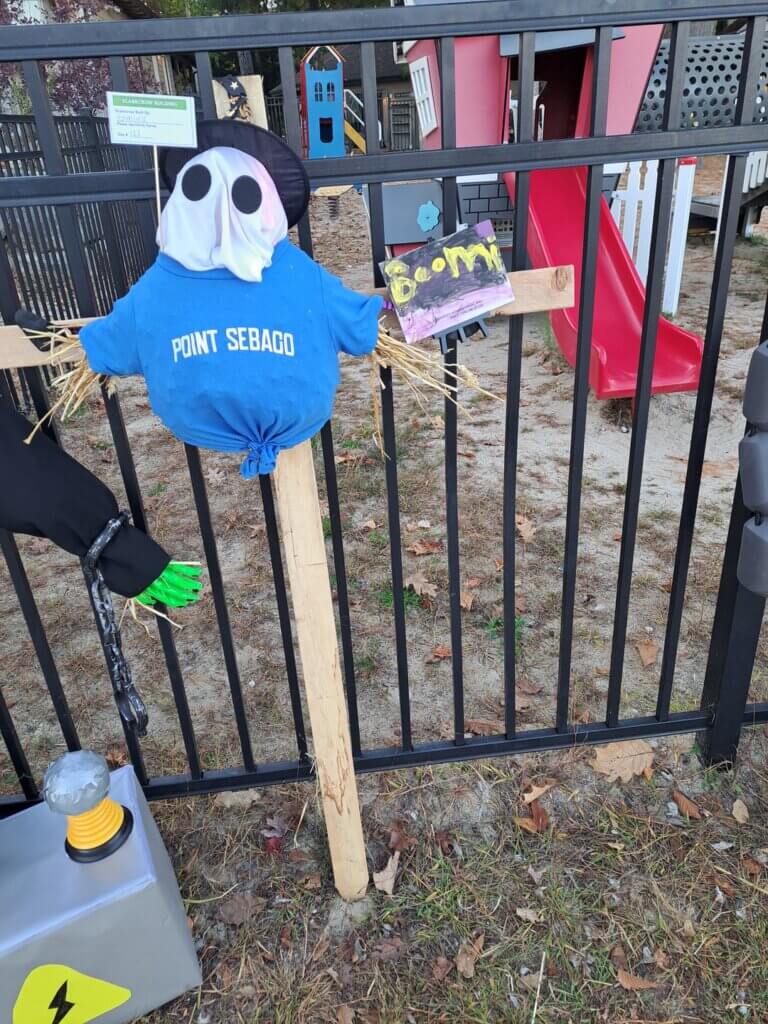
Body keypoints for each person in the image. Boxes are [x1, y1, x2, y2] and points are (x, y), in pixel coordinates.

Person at [79, 120, 384, 480]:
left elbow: (107, 348)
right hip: (296, 420)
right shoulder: (301, 276)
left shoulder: (155, 289)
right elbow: (361, 329)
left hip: (193, 425)